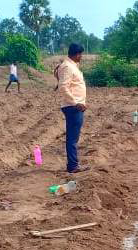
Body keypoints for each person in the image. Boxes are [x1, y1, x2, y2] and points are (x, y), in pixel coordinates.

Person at [58, 44, 90, 173]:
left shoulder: (72, 66)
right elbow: (63, 87)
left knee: (73, 137)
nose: (81, 56)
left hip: (75, 106)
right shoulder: (67, 67)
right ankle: (73, 166)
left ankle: (73, 164)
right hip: (73, 107)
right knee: (72, 138)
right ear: (76, 54)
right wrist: (76, 102)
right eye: (80, 54)